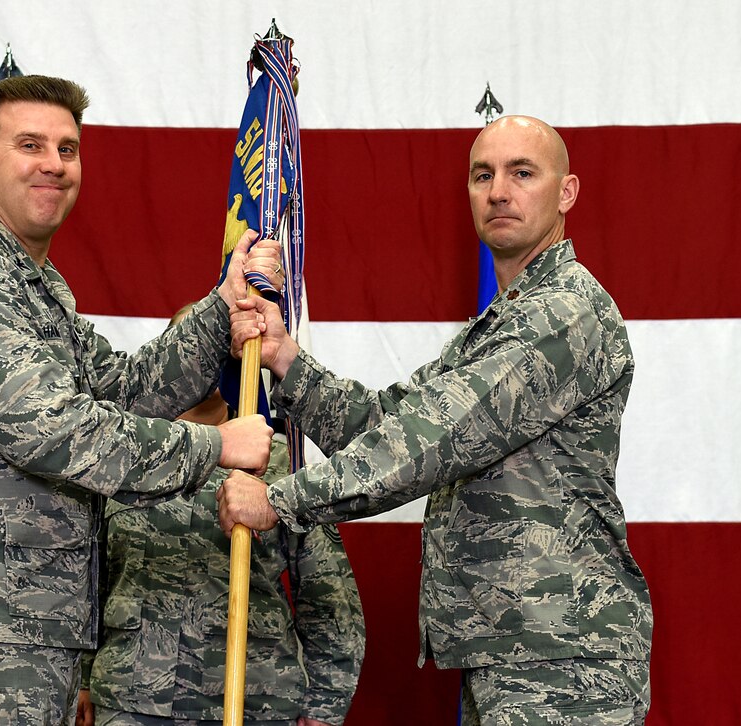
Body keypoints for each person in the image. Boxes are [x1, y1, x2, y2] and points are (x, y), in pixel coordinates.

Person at [0, 74, 281, 725]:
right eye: (30, 144)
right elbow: (58, 432)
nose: (53, 165)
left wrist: (219, 312)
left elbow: (128, 389)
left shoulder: (33, 285)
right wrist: (216, 446)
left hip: (23, 629)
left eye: (67, 148)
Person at [218, 116, 653, 725]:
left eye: (522, 173)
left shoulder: (562, 312)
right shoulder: (503, 321)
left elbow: (431, 441)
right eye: (483, 175)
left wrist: (282, 499)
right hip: (515, 652)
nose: (499, 190)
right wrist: (286, 362)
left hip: (560, 659)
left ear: (567, 192)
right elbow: (392, 422)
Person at [75, 304, 365, 726]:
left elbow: (328, 595)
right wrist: (82, 676)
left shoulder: (282, 465)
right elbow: (88, 578)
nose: (208, 363)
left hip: (253, 698)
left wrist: (325, 702)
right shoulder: (125, 457)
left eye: (219, 351)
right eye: (198, 349)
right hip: (132, 699)